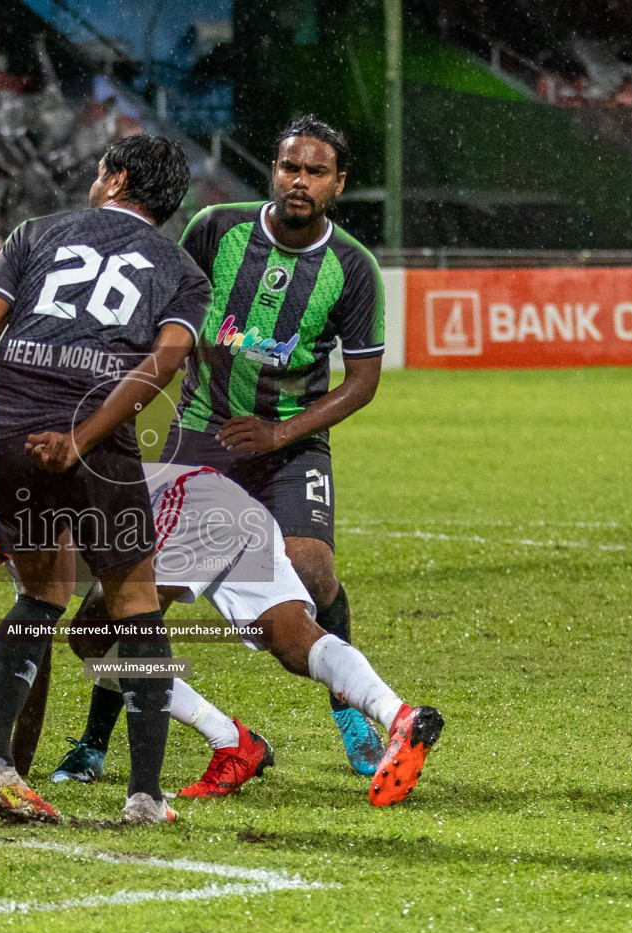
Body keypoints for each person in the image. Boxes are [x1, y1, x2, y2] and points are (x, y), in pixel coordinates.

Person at [0, 464, 444, 807]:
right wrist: (15, 762)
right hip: (215, 496)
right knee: (290, 637)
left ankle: (232, 741)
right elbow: (31, 642)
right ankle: (400, 714)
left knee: (98, 633)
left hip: (174, 515)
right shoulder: (19, 493)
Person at [0, 134, 211, 826]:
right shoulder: (182, 269)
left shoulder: (36, 233)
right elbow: (163, 365)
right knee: (135, 600)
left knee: (40, 594)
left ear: (117, 177)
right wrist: (83, 438)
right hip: (93, 444)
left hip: (7, 431)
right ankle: (147, 796)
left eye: (101, 171)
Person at [159, 114, 399, 775]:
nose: (299, 181)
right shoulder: (215, 230)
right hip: (203, 431)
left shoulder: (353, 266)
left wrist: (281, 432)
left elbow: (364, 380)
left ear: (338, 184)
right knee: (140, 591)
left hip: (292, 442)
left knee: (313, 570)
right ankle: (95, 738)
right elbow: (171, 312)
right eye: (289, 167)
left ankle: (350, 711)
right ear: (273, 170)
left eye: (314, 171)